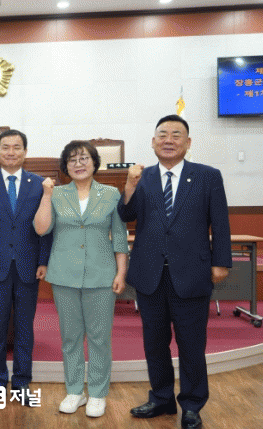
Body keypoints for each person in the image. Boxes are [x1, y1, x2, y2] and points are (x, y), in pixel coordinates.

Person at [118, 115, 231, 429]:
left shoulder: (207, 176)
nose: (169, 140)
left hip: (192, 274)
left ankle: (192, 405)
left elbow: (220, 222)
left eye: (176, 134)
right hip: (150, 275)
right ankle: (161, 398)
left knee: (191, 345)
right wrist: (128, 186)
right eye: (163, 134)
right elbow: (126, 215)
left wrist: (221, 261)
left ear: (188, 142)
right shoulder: (142, 177)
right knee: (154, 343)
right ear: (153, 142)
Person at [34, 140, 128, 418]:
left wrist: (121, 272)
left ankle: (98, 393)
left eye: (84, 158)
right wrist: (46, 196)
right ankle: (75, 391)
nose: (78, 164)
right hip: (64, 275)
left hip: (102, 274)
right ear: (65, 166)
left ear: (94, 162)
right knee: (70, 337)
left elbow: (119, 236)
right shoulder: (56, 193)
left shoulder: (111, 193)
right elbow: (41, 229)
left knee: (100, 338)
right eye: (72, 159)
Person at [0, 129, 51, 405]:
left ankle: (21, 382)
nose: (11, 152)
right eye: (5, 147)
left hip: (28, 265)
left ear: (25, 152)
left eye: (17, 147)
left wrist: (43, 261)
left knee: (24, 328)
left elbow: (46, 227)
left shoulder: (39, 184)